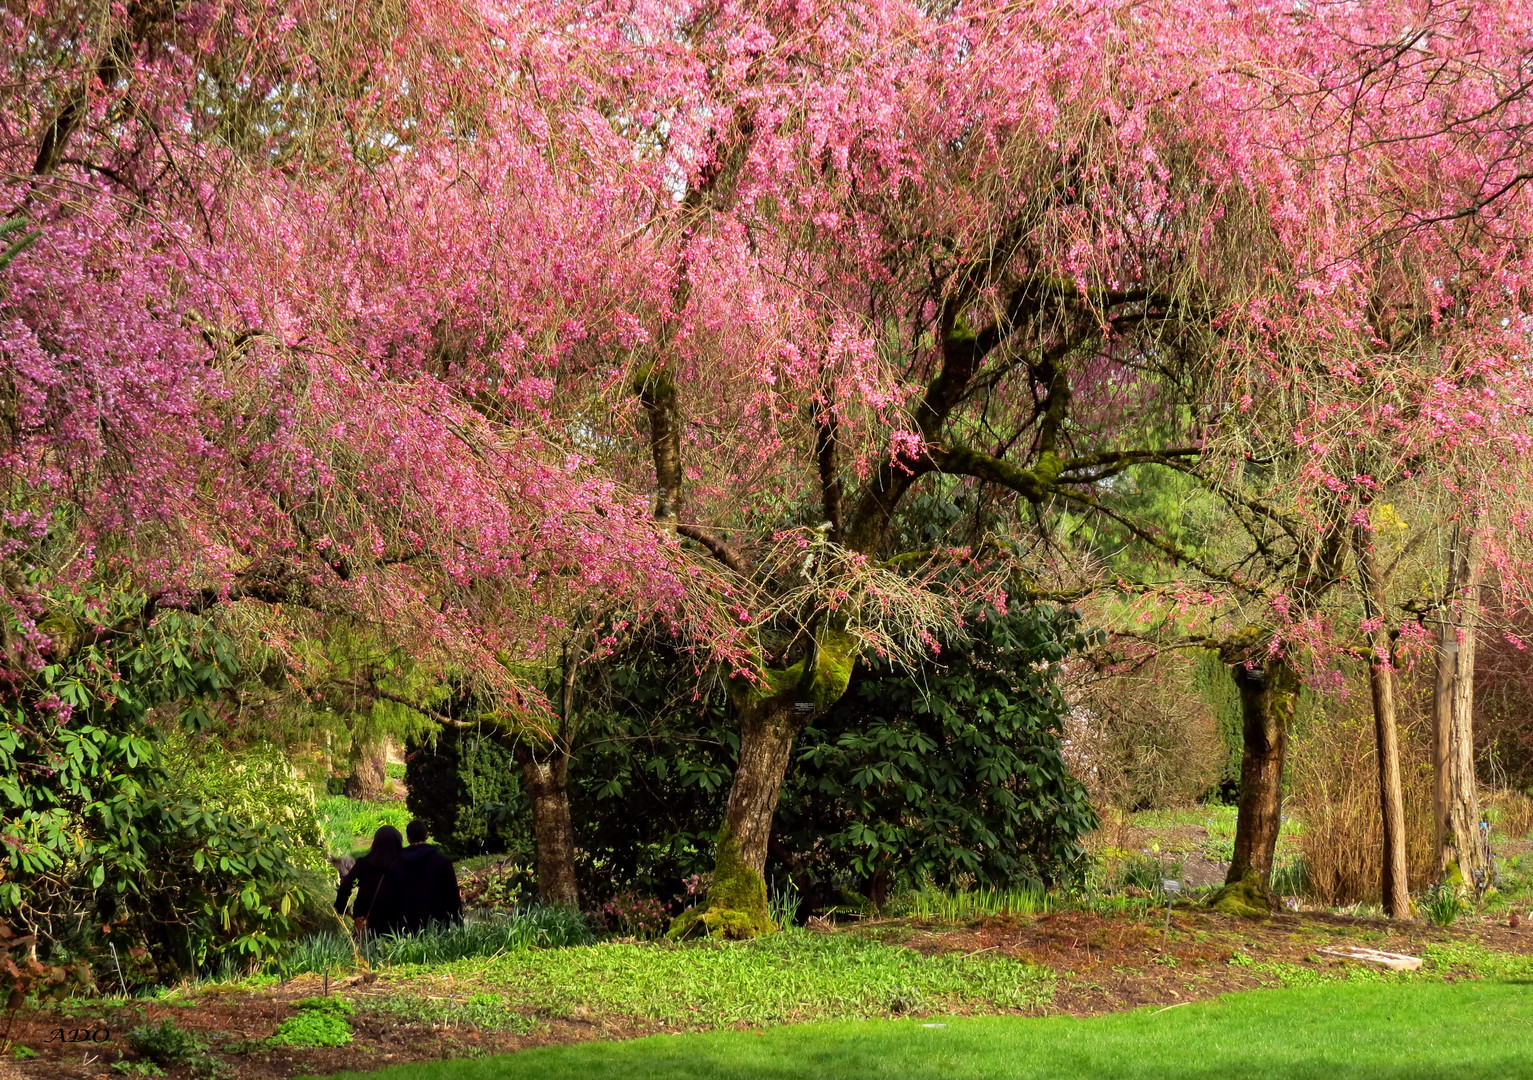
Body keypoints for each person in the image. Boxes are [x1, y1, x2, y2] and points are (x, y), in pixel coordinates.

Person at [335, 825, 405, 937]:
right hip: (396, 917)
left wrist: (343, 909)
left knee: (363, 951)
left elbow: (345, 887)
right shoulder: (403, 865)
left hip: (365, 916)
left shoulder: (363, 863)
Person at [396, 819, 463, 933]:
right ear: (427, 836)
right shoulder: (441, 861)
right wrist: (458, 920)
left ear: (408, 838)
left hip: (406, 923)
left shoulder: (397, 862)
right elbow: (452, 893)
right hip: (437, 922)